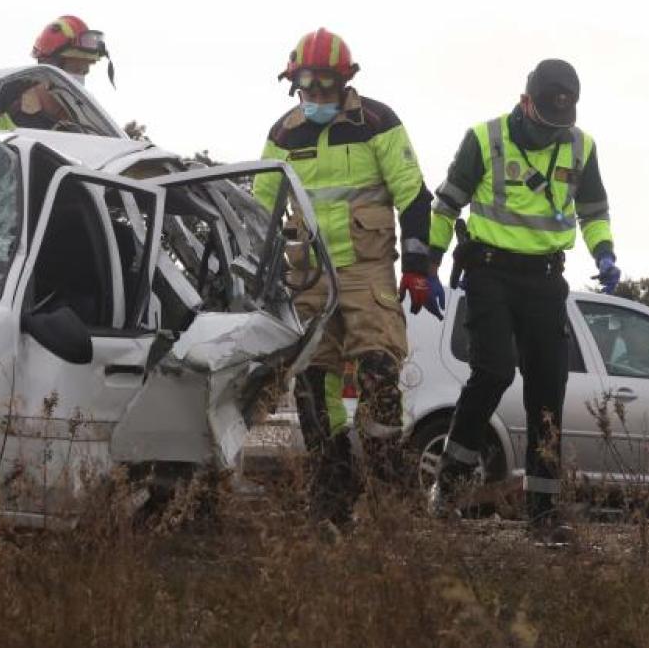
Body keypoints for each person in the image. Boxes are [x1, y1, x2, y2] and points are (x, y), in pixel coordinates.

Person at [253, 28, 443, 523]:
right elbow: (260, 209)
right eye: (306, 88)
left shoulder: (377, 123)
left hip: (366, 271)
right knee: (315, 384)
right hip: (308, 276)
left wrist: (419, 266)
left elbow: (414, 196)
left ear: (344, 81)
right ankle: (333, 486)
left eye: (323, 87)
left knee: (379, 372)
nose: (315, 97)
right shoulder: (283, 134)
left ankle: (388, 481)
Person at [427, 58, 621, 543]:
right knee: (493, 372)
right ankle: (447, 485)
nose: (551, 131)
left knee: (548, 391)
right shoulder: (485, 138)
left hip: (545, 279)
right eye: (543, 119)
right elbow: (447, 202)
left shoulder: (581, 145)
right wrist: (426, 263)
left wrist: (605, 252)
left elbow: (593, 210)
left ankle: (542, 514)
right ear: (525, 102)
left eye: (561, 122)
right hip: (490, 271)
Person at [0, 15, 114, 130]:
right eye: (76, 70)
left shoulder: (84, 125)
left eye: (86, 71)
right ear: (48, 67)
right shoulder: (1, 106)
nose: (81, 78)